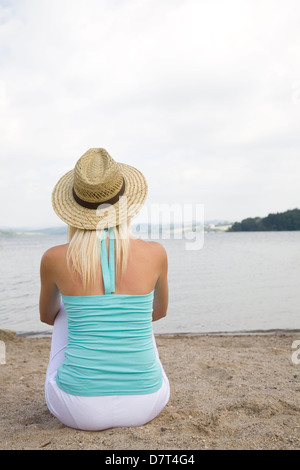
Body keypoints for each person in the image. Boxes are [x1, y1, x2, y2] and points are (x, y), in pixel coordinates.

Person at [39, 148, 170, 431]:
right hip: (146, 402)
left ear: (73, 210)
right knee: (139, 312)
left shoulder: (53, 257)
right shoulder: (156, 253)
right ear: (126, 204)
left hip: (78, 410)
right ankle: (131, 374)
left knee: (64, 312)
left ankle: (88, 379)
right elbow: (158, 313)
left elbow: (48, 317)